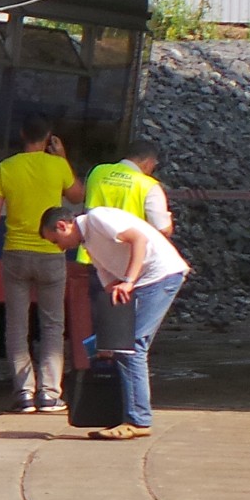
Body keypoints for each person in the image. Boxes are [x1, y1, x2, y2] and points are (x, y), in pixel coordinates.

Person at [40, 205, 190, 440]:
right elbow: (109, 282)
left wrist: (129, 281)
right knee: (121, 346)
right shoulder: (89, 243)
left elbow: (138, 239)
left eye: (56, 240)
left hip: (160, 275)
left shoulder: (97, 219)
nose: (59, 248)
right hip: (144, 281)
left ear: (63, 225)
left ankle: (137, 421)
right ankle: (129, 415)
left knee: (132, 346)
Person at [0, 115, 85, 413]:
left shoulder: (6, 168)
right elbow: (77, 196)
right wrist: (63, 158)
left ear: (22, 134)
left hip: (16, 255)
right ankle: (49, 394)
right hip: (51, 254)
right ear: (49, 137)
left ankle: (24, 394)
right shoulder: (57, 165)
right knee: (52, 325)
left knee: (16, 325)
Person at [68, 141, 171, 371]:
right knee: (124, 332)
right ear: (148, 162)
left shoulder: (98, 172)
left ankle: (96, 376)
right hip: (128, 267)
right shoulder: (148, 185)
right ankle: (117, 382)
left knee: (99, 325)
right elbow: (162, 228)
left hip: (94, 259)